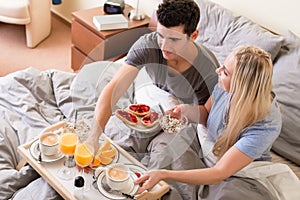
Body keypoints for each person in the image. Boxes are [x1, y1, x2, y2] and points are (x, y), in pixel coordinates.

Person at [87, 0, 219, 199]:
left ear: (193, 36)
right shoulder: (148, 45)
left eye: (173, 39)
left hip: (183, 118)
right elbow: (113, 90)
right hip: (153, 103)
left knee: (164, 162)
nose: (164, 46)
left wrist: (185, 111)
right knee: (114, 144)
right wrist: (93, 136)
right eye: (160, 36)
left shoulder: (207, 71)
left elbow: (206, 116)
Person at [134, 45, 283, 199]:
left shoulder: (266, 125)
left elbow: (219, 173)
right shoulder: (224, 87)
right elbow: (206, 113)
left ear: (241, 86)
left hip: (237, 169)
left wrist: (163, 174)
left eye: (225, 72)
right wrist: (185, 111)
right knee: (166, 151)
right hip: (207, 143)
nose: (218, 71)